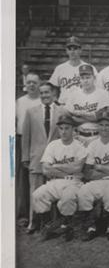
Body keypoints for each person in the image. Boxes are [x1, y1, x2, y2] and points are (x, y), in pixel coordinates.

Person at [32, 114, 87, 241]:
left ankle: (66, 226)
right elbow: (46, 169)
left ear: (73, 129)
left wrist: (55, 166)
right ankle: (47, 227)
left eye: (67, 128)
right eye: (61, 128)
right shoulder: (53, 145)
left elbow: (77, 169)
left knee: (68, 198)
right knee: (38, 195)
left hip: (73, 182)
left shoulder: (79, 146)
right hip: (54, 182)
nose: (64, 131)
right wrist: (68, 168)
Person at [76, 109, 109, 241]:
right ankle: (91, 227)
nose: (104, 128)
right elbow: (87, 172)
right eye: (101, 125)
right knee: (84, 192)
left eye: (107, 125)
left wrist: (98, 167)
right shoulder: (93, 145)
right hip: (97, 180)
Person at [21, 82, 66, 232]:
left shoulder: (61, 111)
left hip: (55, 159)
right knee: (35, 191)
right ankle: (33, 222)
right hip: (36, 158)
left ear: (53, 94)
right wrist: (25, 157)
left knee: (54, 191)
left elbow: (64, 136)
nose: (44, 95)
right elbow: (26, 136)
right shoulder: (31, 112)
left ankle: (54, 223)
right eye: (42, 93)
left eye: (47, 92)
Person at [64, 64, 109, 146]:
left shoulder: (103, 94)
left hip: (97, 136)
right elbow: (68, 117)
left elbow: (102, 118)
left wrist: (79, 115)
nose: (85, 81)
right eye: (82, 78)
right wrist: (92, 117)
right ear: (79, 80)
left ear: (94, 78)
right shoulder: (73, 95)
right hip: (78, 137)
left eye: (88, 77)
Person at [16, 72, 41, 220]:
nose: (31, 85)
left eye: (35, 82)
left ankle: (39, 215)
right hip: (21, 140)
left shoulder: (42, 100)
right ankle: (23, 214)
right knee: (22, 179)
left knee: (37, 178)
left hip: (37, 142)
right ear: (25, 84)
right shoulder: (20, 101)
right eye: (29, 82)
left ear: (39, 84)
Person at [49, 36, 97, 104]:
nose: (72, 51)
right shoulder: (60, 68)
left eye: (75, 49)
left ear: (80, 50)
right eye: (69, 49)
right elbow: (53, 87)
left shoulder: (90, 68)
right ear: (66, 51)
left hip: (83, 105)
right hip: (64, 105)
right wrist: (56, 102)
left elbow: (96, 88)